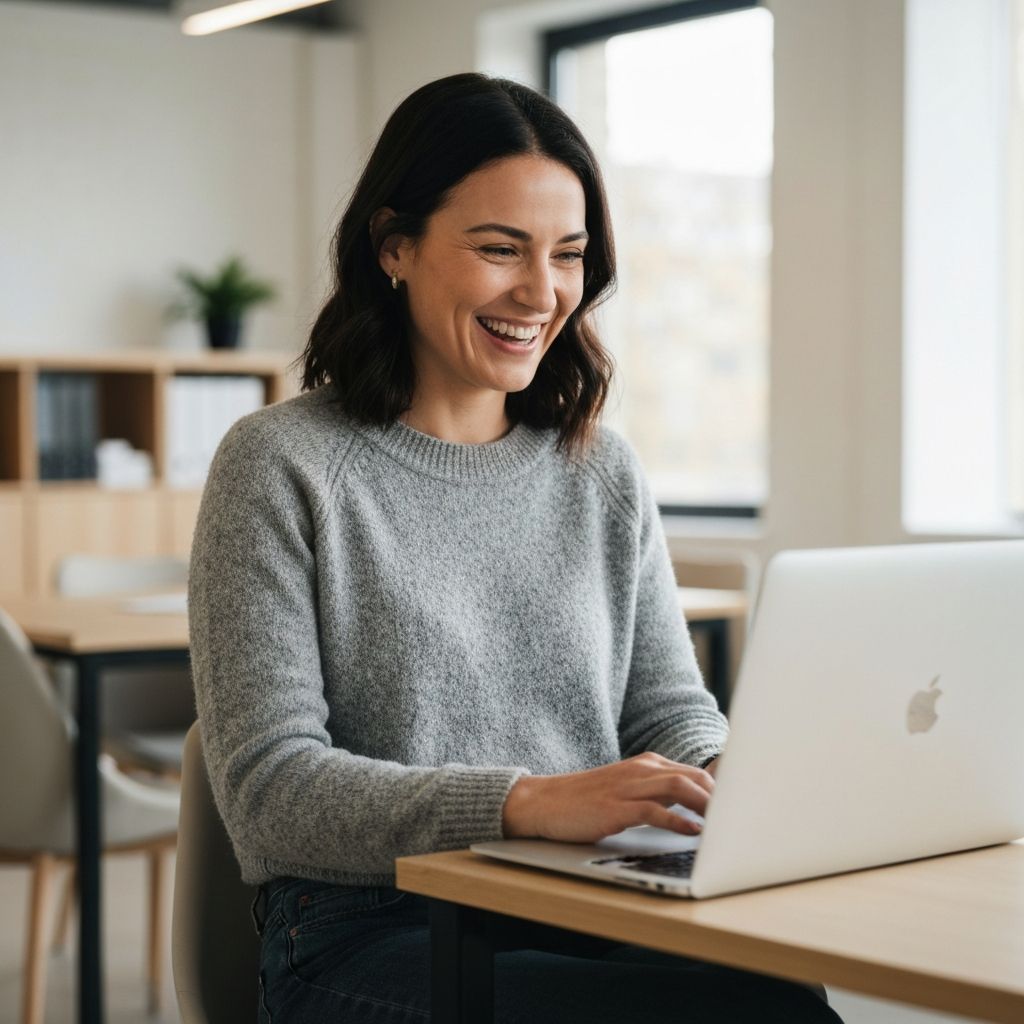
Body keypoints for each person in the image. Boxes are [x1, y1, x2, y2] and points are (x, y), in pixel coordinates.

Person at [189, 72, 842, 1023]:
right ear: (394, 247)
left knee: (781, 991)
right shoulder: (281, 463)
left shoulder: (600, 471)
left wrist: (731, 779)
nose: (542, 293)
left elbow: (668, 713)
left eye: (569, 256)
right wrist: (524, 802)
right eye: (501, 250)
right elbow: (269, 792)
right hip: (370, 934)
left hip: (586, 899)